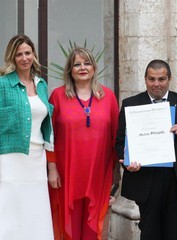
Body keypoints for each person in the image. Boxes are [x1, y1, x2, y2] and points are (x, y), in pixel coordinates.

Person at [115, 59, 177, 240]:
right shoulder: (131, 104)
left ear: (169, 79)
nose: (156, 84)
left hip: (176, 178)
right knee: (149, 229)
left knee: (171, 229)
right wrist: (127, 162)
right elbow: (120, 141)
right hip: (145, 177)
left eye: (161, 79)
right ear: (145, 79)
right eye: (152, 79)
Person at [47, 47, 119, 240]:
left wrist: (116, 175)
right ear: (70, 69)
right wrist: (52, 168)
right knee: (67, 223)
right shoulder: (58, 96)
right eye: (77, 64)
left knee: (93, 226)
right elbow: (49, 135)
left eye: (86, 63)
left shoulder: (108, 97)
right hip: (66, 172)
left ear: (94, 68)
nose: (82, 68)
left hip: (97, 172)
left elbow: (116, 137)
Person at [0, 34, 54, 239]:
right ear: (12, 58)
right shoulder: (3, 84)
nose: (24, 58)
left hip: (36, 157)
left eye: (28, 53)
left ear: (34, 55)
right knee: (10, 208)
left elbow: (47, 126)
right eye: (19, 54)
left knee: (35, 208)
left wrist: (51, 165)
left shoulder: (41, 84)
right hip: (9, 157)